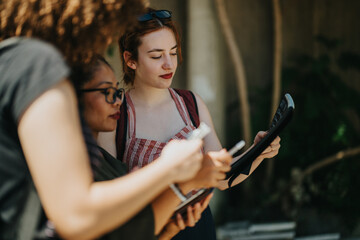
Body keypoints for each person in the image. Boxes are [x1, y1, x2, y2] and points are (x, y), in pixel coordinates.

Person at [0, 1, 210, 239]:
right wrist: (169, 168)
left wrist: (170, 224)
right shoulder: (37, 66)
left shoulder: (12, 62)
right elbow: (77, 216)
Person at [98, 7, 281, 240]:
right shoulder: (116, 113)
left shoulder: (191, 103)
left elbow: (223, 178)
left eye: (173, 53)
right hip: (146, 233)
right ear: (130, 60)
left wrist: (258, 153)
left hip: (199, 229)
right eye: (156, 56)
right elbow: (109, 196)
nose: (169, 64)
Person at [75, 55, 229, 239]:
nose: (117, 100)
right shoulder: (76, 166)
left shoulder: (106, 161)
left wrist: (169, 229)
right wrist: (174, 173)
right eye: (107, 92)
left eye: (118, 91)